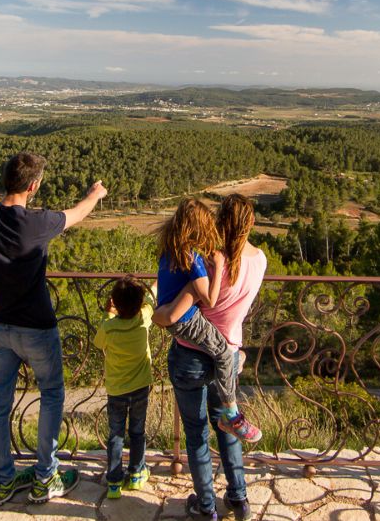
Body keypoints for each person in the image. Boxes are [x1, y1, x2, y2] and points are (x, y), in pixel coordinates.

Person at [0, 152, 107, 505]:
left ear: (5, 180)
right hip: (37, 327)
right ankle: (44, 477)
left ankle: (3, 481)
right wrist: (96, 193)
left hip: (0, 327)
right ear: (33, 186)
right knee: (50, 396)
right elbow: (79, 213)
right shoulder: (40, 222)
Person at [158, 194, 268, 521]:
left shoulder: (207, 259)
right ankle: (239, 498)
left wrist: (164, 314)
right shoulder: (260, 260)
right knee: (228, 427)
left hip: (190, 355)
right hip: (228, 355)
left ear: (220, 220)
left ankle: (206, 507)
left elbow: (191, 302)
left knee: (196, 434)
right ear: (250, 225)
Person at [152, 198, 262, 444]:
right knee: (224, 354)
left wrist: (162, 311)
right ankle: (232, 414)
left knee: (195, 433)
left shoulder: (170, 251)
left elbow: (166, 300)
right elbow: (210, 300)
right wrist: (218, 265)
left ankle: (238, 360)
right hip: (187, 321)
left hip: (176, 325)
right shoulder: (195, 262)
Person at [92, 275, 154, 499]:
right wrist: (145, 293)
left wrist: (109, 313)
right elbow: (150, 301)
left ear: (114, 303)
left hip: (116, 390)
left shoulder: (109, 327)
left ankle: (114, 482)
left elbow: (98, 344)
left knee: (116, 435)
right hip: (140, 388)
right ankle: (137, 474)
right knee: (137, 432)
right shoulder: (143, 319)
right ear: (139, 304)